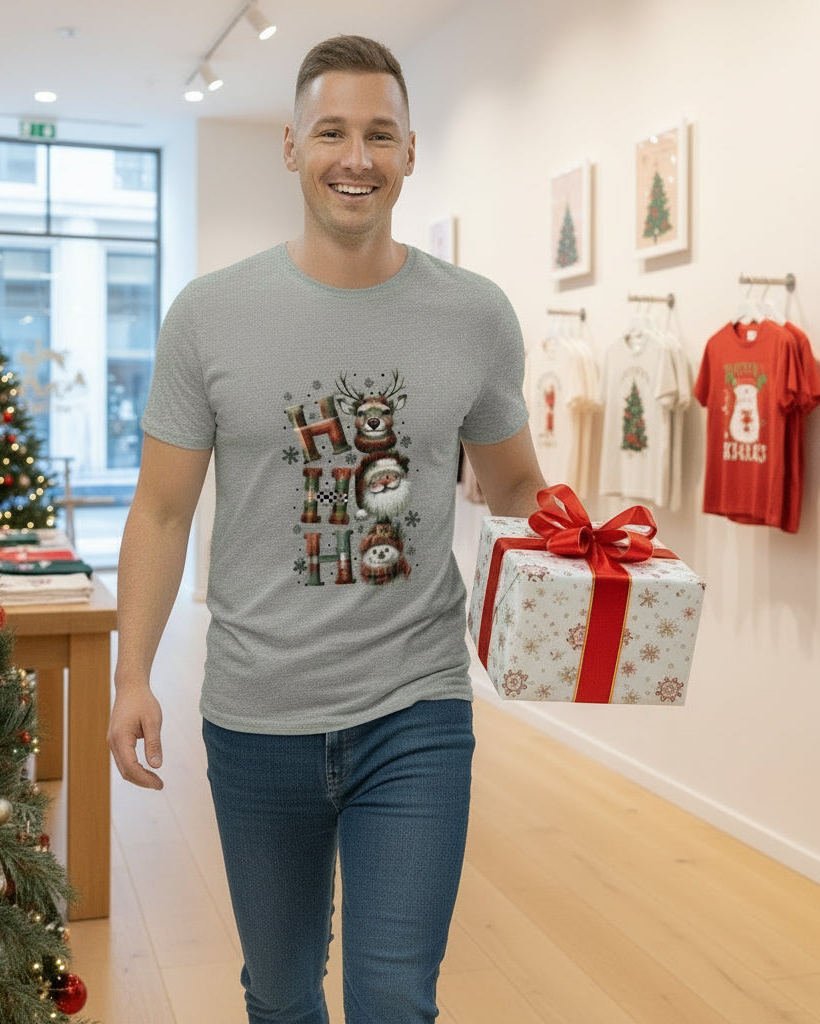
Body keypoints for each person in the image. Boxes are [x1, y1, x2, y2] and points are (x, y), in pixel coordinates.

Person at [107, 34, 547, 1024]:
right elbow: (162, 509)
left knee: (394, 996)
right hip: (257, 710)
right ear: (290, 146)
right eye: (332, 132)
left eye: (380, 134)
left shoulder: (474, 315)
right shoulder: (209, 315)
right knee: (280, 991)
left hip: (416, 706)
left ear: (411, 151)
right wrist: (133, 675)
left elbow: (517, 483)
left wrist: (592, 551)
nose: (357, 157)